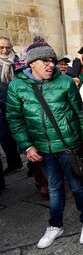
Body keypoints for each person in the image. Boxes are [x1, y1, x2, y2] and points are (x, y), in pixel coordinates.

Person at [6, 43, 83, 248]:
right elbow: (15, 119)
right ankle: (55, 225)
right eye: (45, 61)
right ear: (32, 63)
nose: (50, 65)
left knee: (77, 186)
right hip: (42, 148)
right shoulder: (17, 86)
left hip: (68, 145)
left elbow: (80, 113)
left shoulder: (64, 82)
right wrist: (27, 146)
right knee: (54, 188)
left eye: (52, 61)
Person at [0, 36, 23, 178]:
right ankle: (14, 163)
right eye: (1, 47)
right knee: (4, 136)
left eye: (7, 47)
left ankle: (34, 165)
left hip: (18, 104)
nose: (5, 50)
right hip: (1, 106)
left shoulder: (18, 62)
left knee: (22, 133)